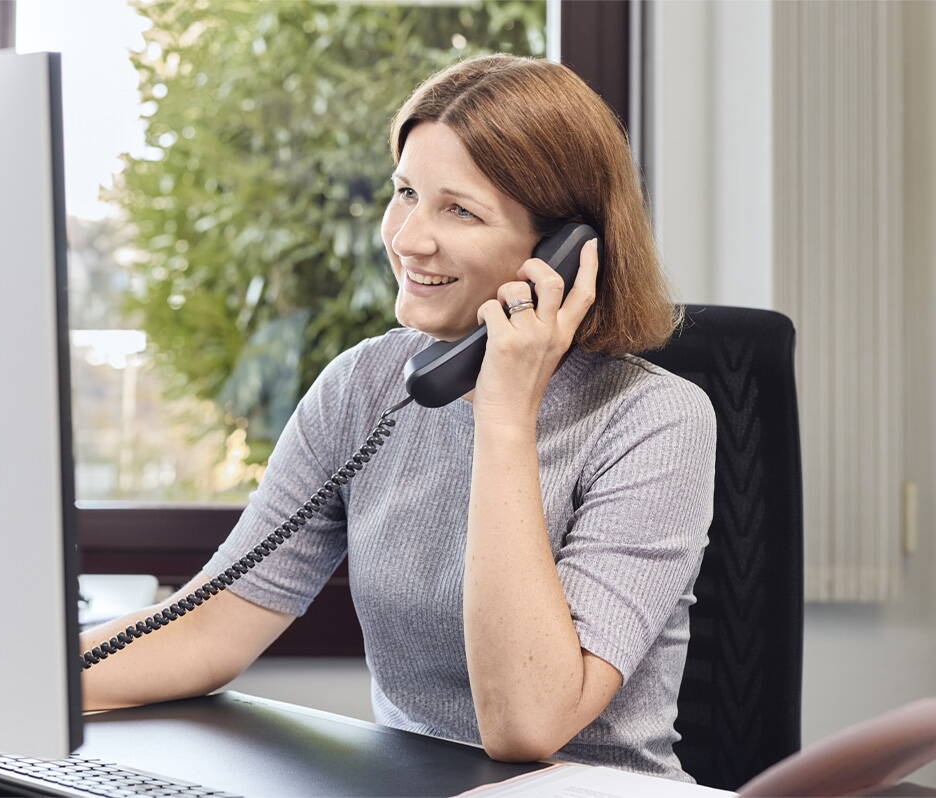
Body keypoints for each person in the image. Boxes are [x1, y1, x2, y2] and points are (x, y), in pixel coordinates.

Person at [80, 53, 716, 784]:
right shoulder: (365, 386)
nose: (409, 238)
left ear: (563, 253)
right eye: (406, 192)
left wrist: (505, 416)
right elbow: (209, 629)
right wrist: (18, 688)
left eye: (459, 210)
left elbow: (527, 726)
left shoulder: (654, 422)